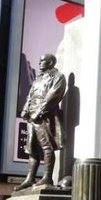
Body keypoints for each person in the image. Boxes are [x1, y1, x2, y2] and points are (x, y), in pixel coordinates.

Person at [14, 54, 67, 191]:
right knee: (32, 148)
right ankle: (30, 178)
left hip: (45, 116)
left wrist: (40, 111)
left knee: (46, 146)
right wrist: (26, 109)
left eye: (42, 60)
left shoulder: (58, 77)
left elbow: (53, 96)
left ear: (50, 62)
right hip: (32, 116)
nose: (39, 62)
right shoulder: (39, 78)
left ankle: (47, 177)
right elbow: (30, 95)